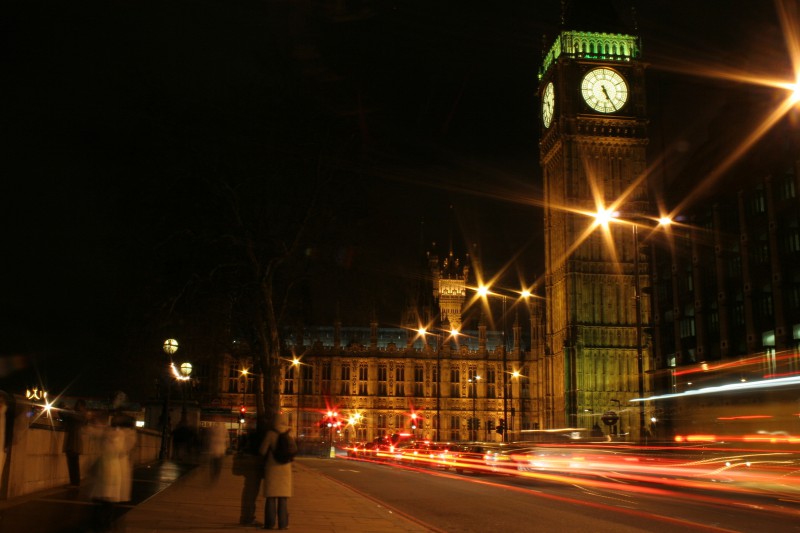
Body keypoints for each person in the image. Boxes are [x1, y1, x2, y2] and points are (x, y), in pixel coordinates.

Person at [90, 393, 137, 532]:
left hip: (108, 469)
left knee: (104, 500)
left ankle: (104, 524)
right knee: (108, 500)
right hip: (112, 469)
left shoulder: (115, 435)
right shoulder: (126, 435)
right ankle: (107, 523)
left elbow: (92, 433)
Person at [259, 412, 294, 530]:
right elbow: (294, 450)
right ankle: (283, 524)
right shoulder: (290, 433)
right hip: (285, 469)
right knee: (283, 498)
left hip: (272, 468)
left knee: (271, 497)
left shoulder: (270, 434)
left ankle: (269, 524)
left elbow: (262, 451)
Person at [237, 429, 264, 526]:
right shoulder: (258, 435)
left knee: (248, 491)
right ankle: (248, 518)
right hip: (253, 466)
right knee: (251, 493)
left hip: (249, 465)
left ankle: (245, 517)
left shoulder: (250, 435)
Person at [62, 398, 88, 486]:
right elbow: (65, 418)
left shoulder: (82, 415)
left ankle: (75, 482)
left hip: (75, 442)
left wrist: (67, 408)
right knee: (72, 463)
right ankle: (74, 482)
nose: (77, 406)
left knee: (74, 463)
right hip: (72, 441)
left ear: (83, 406)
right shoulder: (77, 414)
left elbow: (73, 415)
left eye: (79, 405)